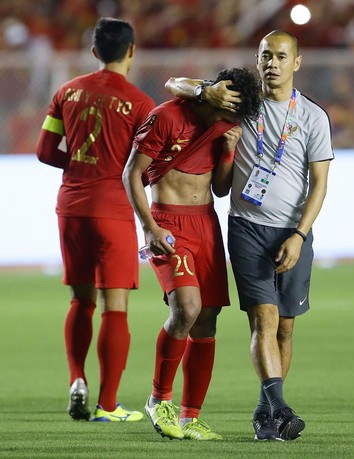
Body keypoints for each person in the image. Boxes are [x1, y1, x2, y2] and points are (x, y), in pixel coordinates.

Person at [165, 29, 334, 440]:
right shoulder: (238, 104)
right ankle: (280, 407)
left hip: (292, 233)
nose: (271, 63)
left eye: (280, 56)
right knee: (264, 318)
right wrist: (211, 103)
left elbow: (320, 184)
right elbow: (175, 85)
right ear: (256, 60)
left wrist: (299, 235)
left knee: (286, 327)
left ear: (296, 62)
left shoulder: (312, 116)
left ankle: (266, 413)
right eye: (264, 56)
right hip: (246, 228)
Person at [122, 67, 261, 440]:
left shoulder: (223, 128)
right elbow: (131, 174)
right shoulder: (167, 116)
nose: (233, 120)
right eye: (230, 111)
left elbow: (218, 189)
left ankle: (190, 417)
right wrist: (150, 227)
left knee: (208, 321)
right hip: (169, 222)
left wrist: (229, 152)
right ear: (216, 96)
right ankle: (159, 399)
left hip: (206, 224)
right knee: (186, 309)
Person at [35, 17, 155, 422]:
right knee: (114, 307)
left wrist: (81, 168)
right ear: (132, 51)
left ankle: (76, 379)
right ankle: (107, 405)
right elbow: (146, 166)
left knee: (80, 300)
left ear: (93, 53)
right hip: (113, 211)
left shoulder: (66, 92)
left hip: (71, 207)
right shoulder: (140, 104)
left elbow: (44, 150)